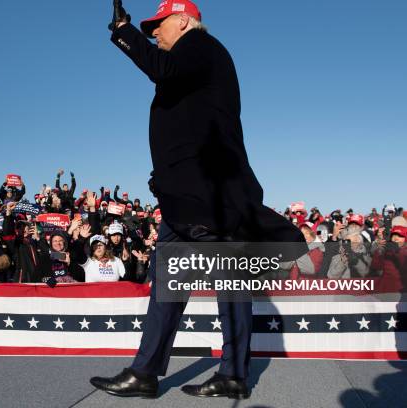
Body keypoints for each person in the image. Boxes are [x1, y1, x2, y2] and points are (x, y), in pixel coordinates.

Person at [90, 0, 306, 400]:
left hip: (208, 194)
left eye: (160, 24)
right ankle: (146, 372)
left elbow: (160, 68)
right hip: (185, 195)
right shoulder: (190, 64)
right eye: (149, 27)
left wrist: (124, 32)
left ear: (185, 21)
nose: (155, 32)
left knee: (229, 279)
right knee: (167, 284)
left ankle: (232, 373)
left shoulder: (202, 48)